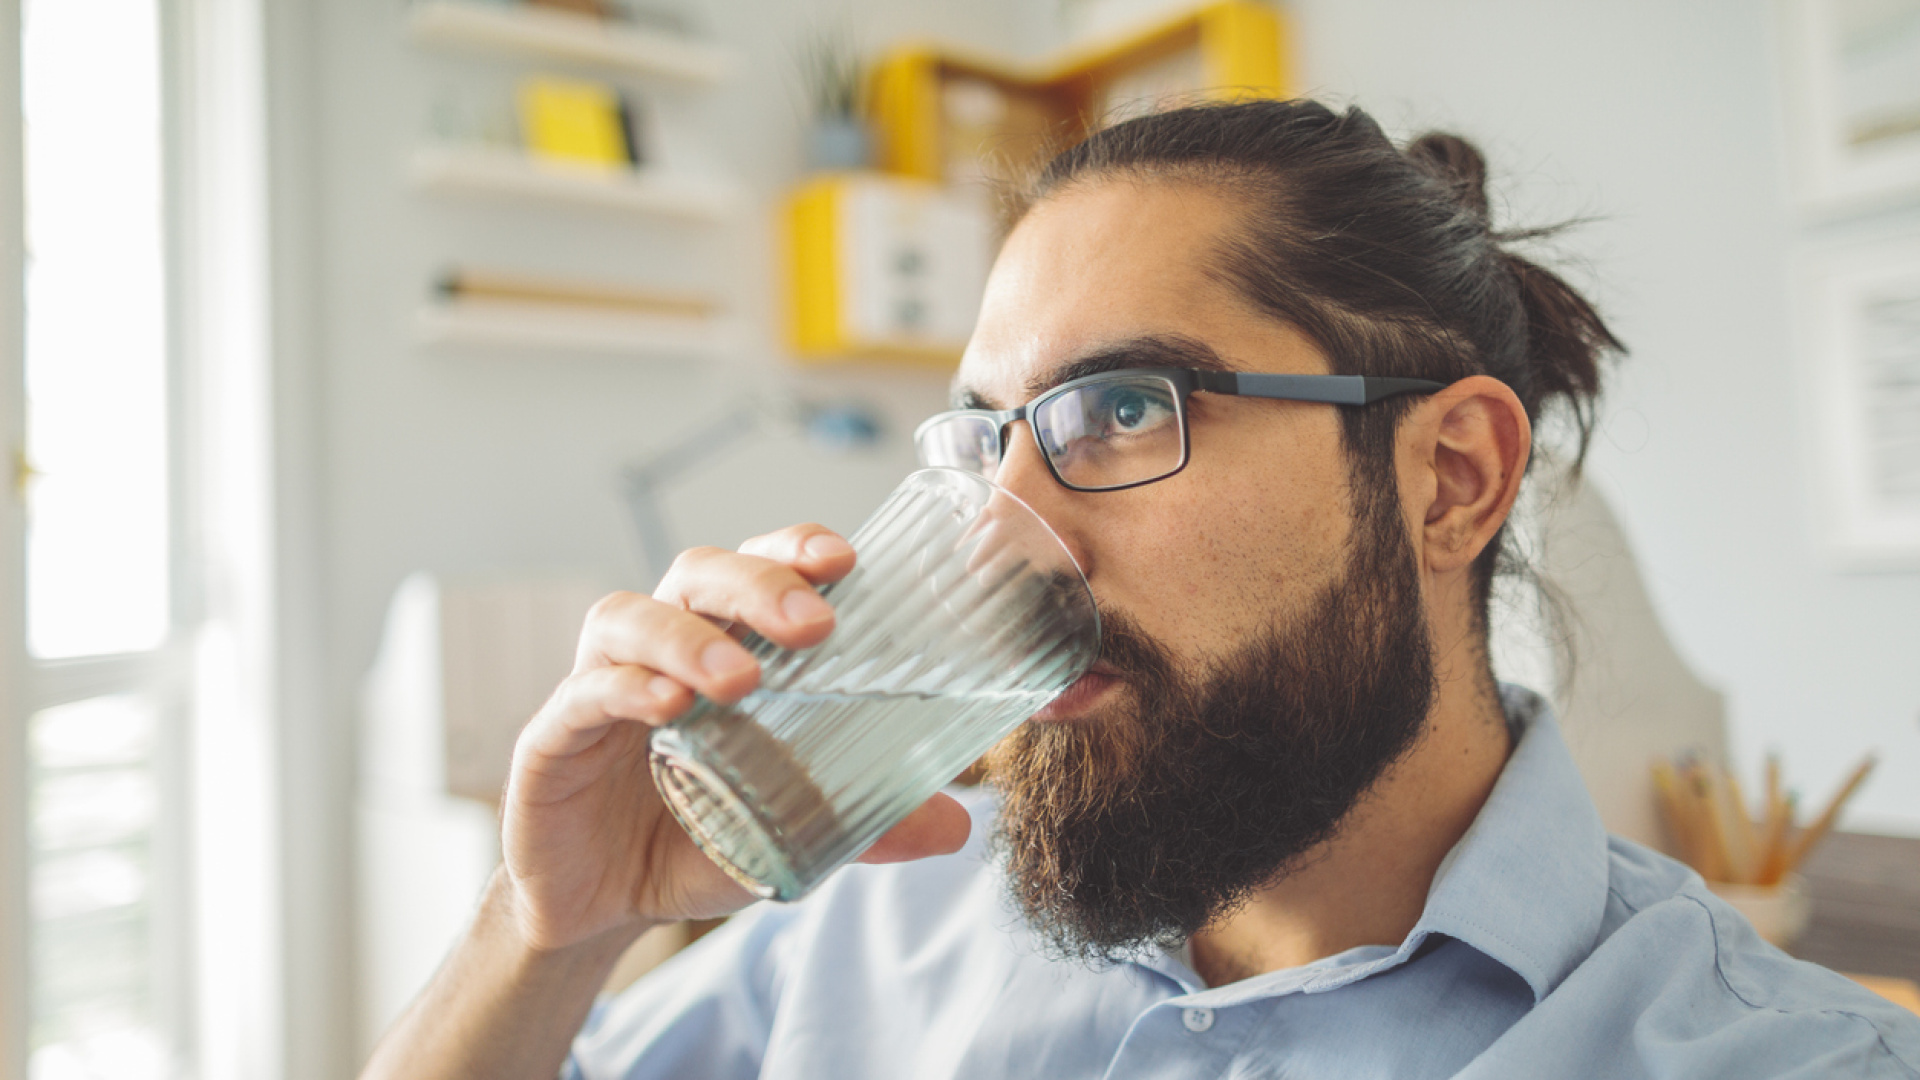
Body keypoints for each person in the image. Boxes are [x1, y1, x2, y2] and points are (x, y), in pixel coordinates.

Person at [361, 99, 1920, 1079]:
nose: (995, 534)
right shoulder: (876, 927)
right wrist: (549, 932)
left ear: (1450, 479)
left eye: (1121, 412)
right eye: (984, 441)